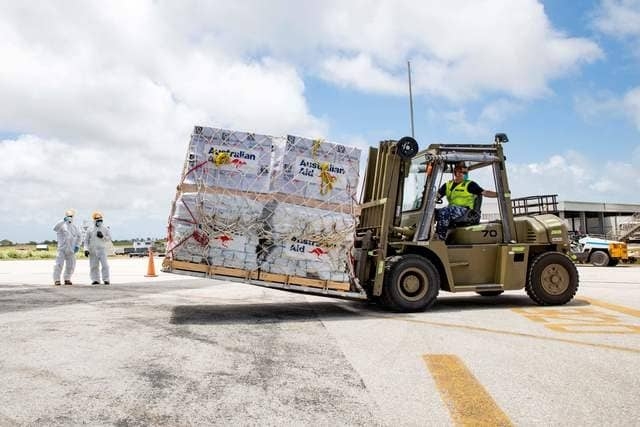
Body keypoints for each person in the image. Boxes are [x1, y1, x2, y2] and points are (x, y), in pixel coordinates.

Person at [435, 162, 497, 240]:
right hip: (452, 210)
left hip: (466, 211)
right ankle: (433, 234)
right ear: (456, 173)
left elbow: (485, 192)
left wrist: (499, 194)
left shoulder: (470, 184)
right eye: (464, 172)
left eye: (466, 172)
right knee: (433, 213)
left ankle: (440, 238)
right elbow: (437, 196)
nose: (466, 174)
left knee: (445, 211)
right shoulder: (448, 185)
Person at [53, 209, 81, 285]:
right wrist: (63, 220)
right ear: (66, 216)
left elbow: (79, 237)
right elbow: (55, 228)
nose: (70, 218)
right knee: (58, 265)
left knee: (71, 265)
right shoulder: (61, 225)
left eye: (71, 216)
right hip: (62, 249)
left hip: (71, 249)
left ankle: (67, 278)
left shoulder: (75, 227)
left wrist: (77, 246)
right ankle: (57, 279)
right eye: (68, 216)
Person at [84, 211, 112, 285]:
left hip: (102, 249)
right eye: (98, 220)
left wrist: (102, 236)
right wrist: (86, 249)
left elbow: (109, 238)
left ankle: (106, 279)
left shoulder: (105, 228)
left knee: (105, 265)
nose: (99, 221)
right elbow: (86, 241)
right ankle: (95, 279)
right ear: (94, 220)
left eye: (101, 220)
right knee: (93, 266)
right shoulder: (89, 229)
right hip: (92, 250)